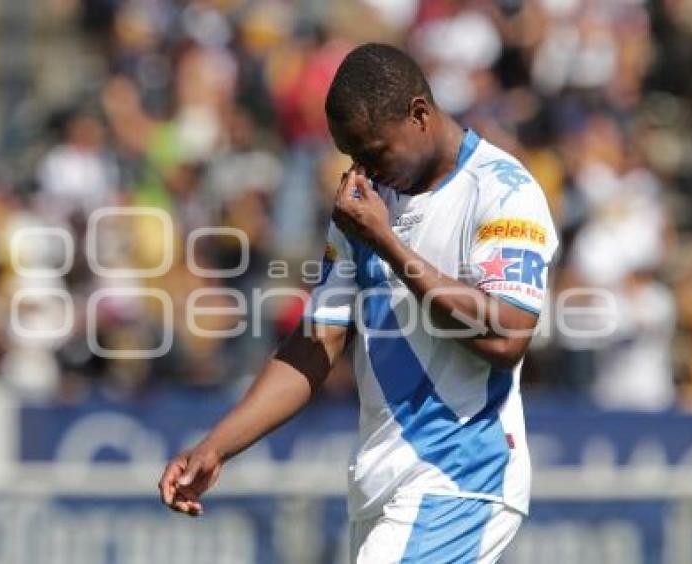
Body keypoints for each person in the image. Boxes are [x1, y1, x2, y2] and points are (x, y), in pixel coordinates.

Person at [158, 43, 558, 563]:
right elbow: (317, 341)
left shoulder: (503, 192)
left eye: (374, 151)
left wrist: (386, 242)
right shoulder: (367, 204)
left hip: (458, 479)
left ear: (419, 114)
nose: (362, 168)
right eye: (352, 155)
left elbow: (507, 337)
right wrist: (216, 446)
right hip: (381, 484)